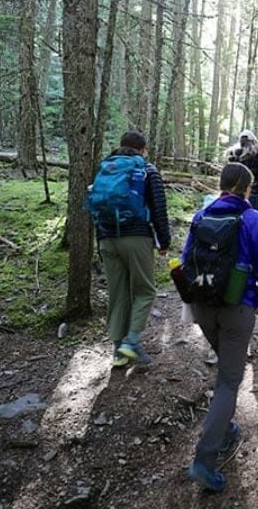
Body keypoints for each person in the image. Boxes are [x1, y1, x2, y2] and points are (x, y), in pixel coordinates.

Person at [184, 163, 258, 491]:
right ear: (246, 188)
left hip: (202, 306)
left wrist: (190, 305)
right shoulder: (253, 219)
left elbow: (186, 262)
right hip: (237, 308)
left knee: (225, 370)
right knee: (228, 381)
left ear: (222, 184)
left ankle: (223, 431)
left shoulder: (200, 216)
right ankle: (204, 462)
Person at [95, 131, 171, 367]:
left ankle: (118, 351)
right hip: (137, 237)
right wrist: (164, 242)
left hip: (107, 239)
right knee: (145, 290)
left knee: (117, 294)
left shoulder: (105, 168)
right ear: (143, 149)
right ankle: (132, 341)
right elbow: (158, 208)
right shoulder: (147, 170)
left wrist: (101, 239)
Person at [225, 130, 258, 213]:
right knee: (256, 223)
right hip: (254, 196)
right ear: (253, 141)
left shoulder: (233, 155)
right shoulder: (256, 154)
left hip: (234, 197)